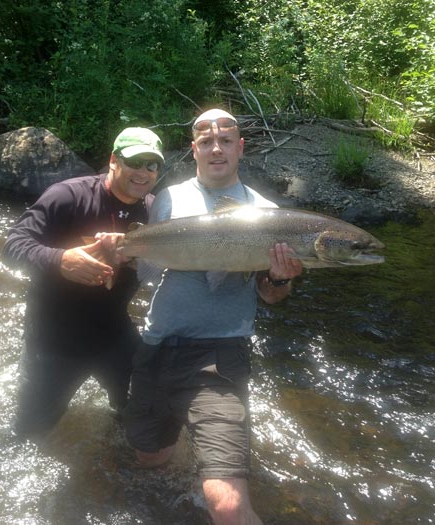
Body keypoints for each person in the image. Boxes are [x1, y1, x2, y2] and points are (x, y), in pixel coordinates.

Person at [120, 109, 303, 525]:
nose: (215, 148)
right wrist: (117, 254)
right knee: (150, 455)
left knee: (227, 505)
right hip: (156, 344)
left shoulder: (267, 213)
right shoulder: (167, 197)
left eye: (225, 140)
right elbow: (146, 262)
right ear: (195, 149)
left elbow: (271, 297)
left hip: (218, 358)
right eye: (206, 141)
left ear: (240, 147)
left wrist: (278, 279)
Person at [2, 126, 164, 439]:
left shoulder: (156, 212)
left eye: (152, 164)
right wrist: (61, 261)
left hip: (115, 334)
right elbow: (13, 246)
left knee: (140, 419)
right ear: (114, 160)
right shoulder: (67, 196)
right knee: (27, 435)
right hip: (54, 339)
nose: (143, 172)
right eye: (135, 161)